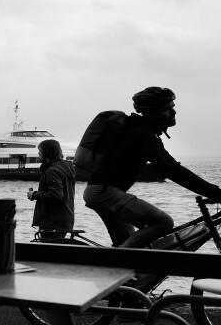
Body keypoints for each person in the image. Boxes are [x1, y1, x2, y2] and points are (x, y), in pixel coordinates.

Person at [83, 87, 221, 248]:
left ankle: (116, 263)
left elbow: (171, 168)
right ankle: (117, 261)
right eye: (166, 109)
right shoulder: (143, 135)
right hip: (105, 193)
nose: (173, 112)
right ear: (150, 113)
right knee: (164, 223)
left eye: (173, 107)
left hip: (100, 192)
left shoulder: (138, 130)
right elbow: (172, 169)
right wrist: (214, 192)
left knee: (130, 246)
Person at [27, 140, 75, 239]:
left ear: (47, 153)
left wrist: (34, 194)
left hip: (52, 222)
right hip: (64, 220)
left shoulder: (52, 171)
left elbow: (56, 195)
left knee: (48, 248)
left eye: (40, 151)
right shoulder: (65, 169)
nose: (38, 154)